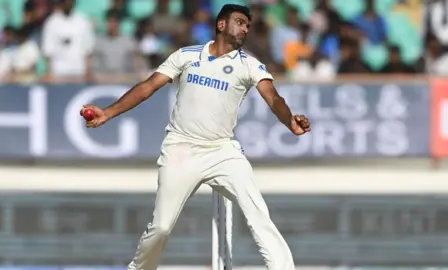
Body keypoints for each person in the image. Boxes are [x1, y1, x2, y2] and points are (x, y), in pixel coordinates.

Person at [80, 4, 311, 270]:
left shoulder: (249, 65)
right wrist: (108, 113)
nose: (244, 28)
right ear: (221, 25)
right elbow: (147, 87)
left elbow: (273, 98)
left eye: (247, 25)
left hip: (222, 151)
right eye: (239, 22)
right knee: (162, 228)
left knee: (258, 214)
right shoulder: (186, 56)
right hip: (181, 147)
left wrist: (289, 120)